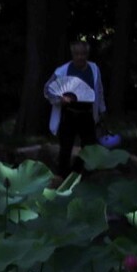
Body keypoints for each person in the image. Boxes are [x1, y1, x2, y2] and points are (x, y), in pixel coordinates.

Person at [44, 40, 106, 176]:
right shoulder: (62, 71)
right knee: (66, 148)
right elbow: (48, 89)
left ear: (87, 54)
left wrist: (101, 110)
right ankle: (62, 177)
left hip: (87, 114)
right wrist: (60, 99)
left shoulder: (94, 69)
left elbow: (99, 90)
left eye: (83, 54)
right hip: (69, 114)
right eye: (77, 54)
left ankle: (79, 173)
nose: (80, 57)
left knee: (89, 147)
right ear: (72, 54)